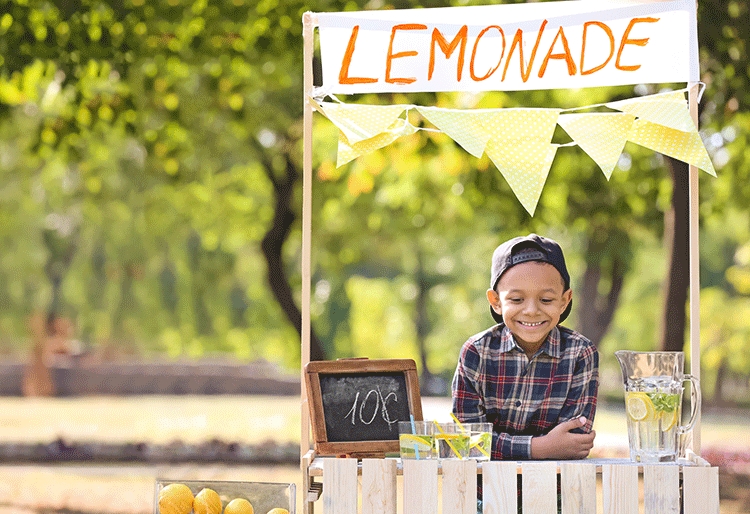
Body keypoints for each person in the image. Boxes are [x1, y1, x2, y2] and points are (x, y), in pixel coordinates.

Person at [452, 234, 598, 462]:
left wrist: (497, 444)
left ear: (565, 300)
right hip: (486, 492)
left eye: (546, 300)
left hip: (554, 491)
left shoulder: (580, 353)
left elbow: (572, 441)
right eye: (517, 300)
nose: (531, 311)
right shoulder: (477, 353)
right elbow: (467, 440)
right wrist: (539, 448)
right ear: (496, 302)